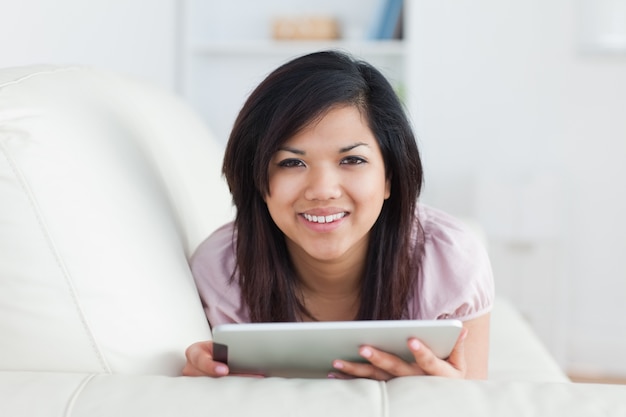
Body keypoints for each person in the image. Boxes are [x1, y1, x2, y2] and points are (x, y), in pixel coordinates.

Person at [183, 50, 494, 380]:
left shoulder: (450, 262)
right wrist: (198, 387)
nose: (323, 190)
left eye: (352, 160)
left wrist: (444, 402)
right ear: (259, 180)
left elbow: (474, 396)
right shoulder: (221, 270)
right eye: (291, 163)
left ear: (389, 176)